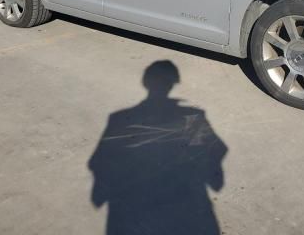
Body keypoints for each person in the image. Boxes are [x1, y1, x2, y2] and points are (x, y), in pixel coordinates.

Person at [88, 61, 227, 234]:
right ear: (173, 84)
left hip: (136, 208)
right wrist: (213, 177)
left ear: (145, 83)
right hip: (185, 205)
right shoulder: (193, 116)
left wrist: (101, 192)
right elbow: (209, 154)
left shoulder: (119, 118)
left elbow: (99, 161)